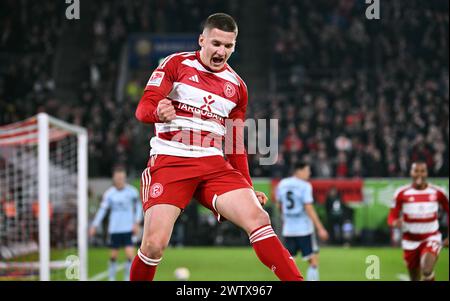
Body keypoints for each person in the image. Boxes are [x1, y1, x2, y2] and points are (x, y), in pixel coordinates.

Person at [131, 13, 303, 281]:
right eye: (215, 43)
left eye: (228, 46)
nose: (221, 51)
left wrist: (247, 186)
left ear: (234, 46)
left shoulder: (237, 87)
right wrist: (157, 112)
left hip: (213, 166)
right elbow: (143, 108)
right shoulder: (176, 64)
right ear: (202, 40)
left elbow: (235, 144)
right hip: (171, 161)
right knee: (153, 245)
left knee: (259, 219)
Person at [388, 161, 449, 281]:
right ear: (411, 172)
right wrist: (395, 222)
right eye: (416, 171)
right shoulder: (401, 193)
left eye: (422, 171)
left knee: (426, 269)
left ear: (427, 173)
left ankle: (428, 274)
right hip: (409, 241)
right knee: (414, 278)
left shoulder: (438, 192)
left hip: (431, 238)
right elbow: (391, 217)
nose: (419, 174)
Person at [275, 162, 329, 281]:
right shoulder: (305, 186)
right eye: (307, 170)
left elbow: (279, 205)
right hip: (304, 229)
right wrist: (320, 228)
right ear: (298, 171)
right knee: (313, 261)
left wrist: (286, 217)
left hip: (288, 229)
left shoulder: (282, 184)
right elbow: (309, 208)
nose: (309, 173)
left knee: (288, 263)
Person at [89, 165, 142, 281]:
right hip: (114, 229)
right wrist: (94, 225)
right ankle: (111, 278)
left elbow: (138, 208)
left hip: (128, 228)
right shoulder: (109, 194)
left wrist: (137, 223)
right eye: (118, 178)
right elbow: (103, 210)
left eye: (122, 178)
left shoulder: (132, 192)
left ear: (125, 178)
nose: (120, 180)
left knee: (130, 255)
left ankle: (127, 278)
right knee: (113, 256)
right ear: (114, 178)